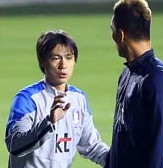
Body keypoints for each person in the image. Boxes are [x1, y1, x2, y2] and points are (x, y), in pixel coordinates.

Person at [5, 30, 109, 168]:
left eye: (69, 57)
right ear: (42, 61)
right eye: (55, 58)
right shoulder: (27, 99)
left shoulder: (79, 99)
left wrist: (120, 160)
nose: (63, 65)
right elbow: (15, 146)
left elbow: (92, 146)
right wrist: (49, 122)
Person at [105, 0, 163, 168]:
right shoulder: (126, 74)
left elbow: (162, 144)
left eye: (112, 31)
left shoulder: (159, 77)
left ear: (121, 35)